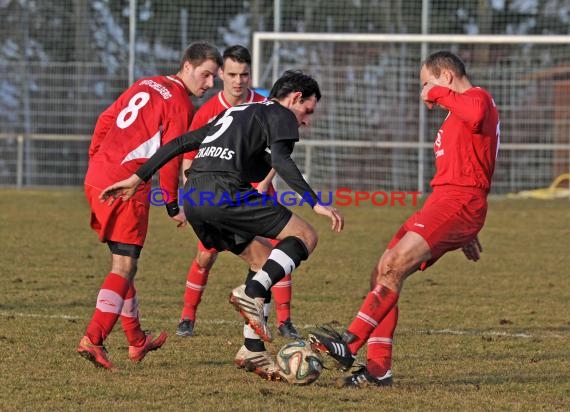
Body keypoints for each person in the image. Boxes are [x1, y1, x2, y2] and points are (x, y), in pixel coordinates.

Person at [98, 70, 344, 380]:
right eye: (308, 109)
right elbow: (281, 160)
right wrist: (316, 202)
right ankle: (251, 292)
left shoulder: (238, 113)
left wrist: (139, 177)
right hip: (224, 192)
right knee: (305, 235)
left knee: (261, 260)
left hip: (196, 198)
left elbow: (180, 142)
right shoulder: (280, 113)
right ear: (295, 98)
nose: (306, 120)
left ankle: (252, 350)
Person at [308, 50, 500, 387]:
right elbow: (470, 161)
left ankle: (349, 344)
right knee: (382, 270)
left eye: (427, 84)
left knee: (395, 265)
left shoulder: (477, 98)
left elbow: (475, 115)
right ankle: (379, 369)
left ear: (447, 77)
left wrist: (436, 92)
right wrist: (464, 230)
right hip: (444, 204)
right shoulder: (459, 111)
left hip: (457, 202)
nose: (425, 94)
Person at [77, 41, 223, 370]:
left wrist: (97, 162)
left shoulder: (145, 82)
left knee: (122, 264)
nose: (210, 84)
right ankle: (93, 337)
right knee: (124, 268)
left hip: (98, 175)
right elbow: (171, 156)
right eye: (206, 75)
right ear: (187, 66)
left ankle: (136, 341)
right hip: (127, 185)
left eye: (213, 77)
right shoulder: (181, 104)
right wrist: (173, 204)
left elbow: (105, 119)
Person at [176, 45, 300, 340]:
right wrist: (191, 198)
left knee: (280, 251)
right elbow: (188, 159)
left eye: (244, 74)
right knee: (206, 256)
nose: (238, 81)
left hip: (258, 191)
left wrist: (265, 181)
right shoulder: (207, 111)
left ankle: (284, 321)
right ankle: (187, 317)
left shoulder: (265, 103)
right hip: (217, 195)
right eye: (232, 74)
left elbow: (276, 151)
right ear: (221, 74)